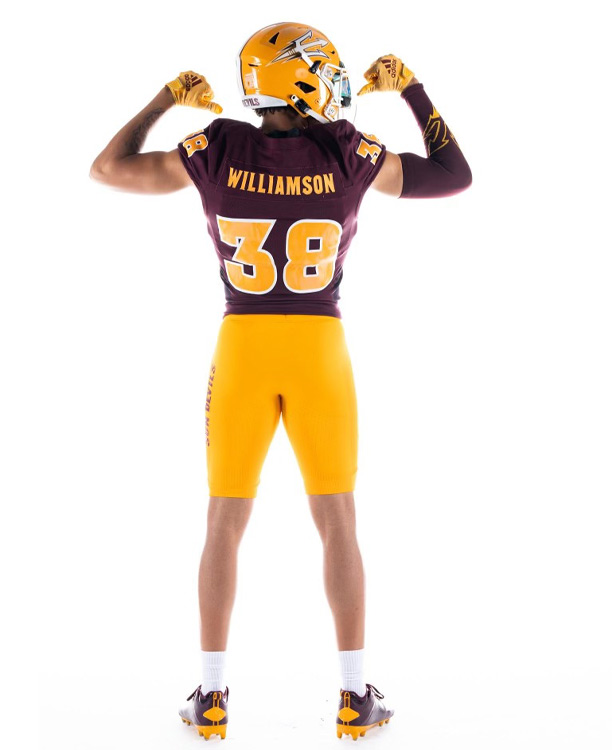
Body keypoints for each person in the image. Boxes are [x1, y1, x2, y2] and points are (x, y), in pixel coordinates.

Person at [90, 21, 472, 741]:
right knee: (338, 520)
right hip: (319, 348)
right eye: (322, 69)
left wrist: (166, 98)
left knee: (223, 521)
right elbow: (454, 176)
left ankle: (210, 697)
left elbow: (108, 169)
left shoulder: (216, 147)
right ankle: (354, 698)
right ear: (299, 79)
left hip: (243, 345)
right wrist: (413, 90)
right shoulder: (347, 151)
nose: (334, 80)